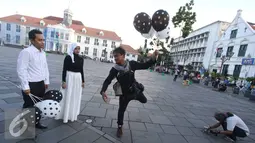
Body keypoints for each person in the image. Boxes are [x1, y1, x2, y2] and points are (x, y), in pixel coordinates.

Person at [100, 47, 158, 137]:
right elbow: (107, 80)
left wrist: (153, 58)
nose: (115, 58)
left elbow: (145, 65)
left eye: (117, 56)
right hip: (124, 95)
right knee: (121, 110)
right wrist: (103, 91)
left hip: (135, 91)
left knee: (144, 100)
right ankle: (119, 127)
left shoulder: (132, 64)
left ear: (123, 55)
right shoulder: (114, 69)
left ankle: (136, 96)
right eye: (114, 56)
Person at [17, 29, 49, 129]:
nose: (42, 42)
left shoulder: (42, 53)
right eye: (40, 40)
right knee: (29, 107)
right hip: (31, 84)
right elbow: (21, 69)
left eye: (43, 40)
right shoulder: (26, 52)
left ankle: (36, 123)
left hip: (40, 83)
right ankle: (25, 128)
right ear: (32, 40)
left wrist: (46, 81)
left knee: (38, 105)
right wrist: (25, 86)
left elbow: (45, 67)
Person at [55, 43, 85, 123]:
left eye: (78, 48)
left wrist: (83, 81)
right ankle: (64, 114)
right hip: (70, 77)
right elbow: (64, 70)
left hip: (77, 78)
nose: (77, 50)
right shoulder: (68, 57)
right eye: (76, 48)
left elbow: (81, 70)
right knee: (67, 95)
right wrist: (63, 81)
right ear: (72, 49)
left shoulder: (81, 59)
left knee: (75, 95)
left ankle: (72, 114)